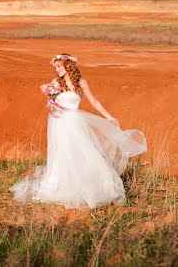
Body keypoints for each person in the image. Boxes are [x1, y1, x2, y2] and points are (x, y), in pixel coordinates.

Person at [9, 53, 147, 209]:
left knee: (83, 152)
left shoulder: (81, 82)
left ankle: (93, 187)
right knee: (61, 154)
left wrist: (109, 116)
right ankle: (60, 186)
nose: (57, 69)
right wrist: (52, 104)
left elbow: (94, 101)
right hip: (58, 124)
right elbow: (51, 102)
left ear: (68, 66)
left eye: (59, 66)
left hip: (75, 123)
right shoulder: (56, 83)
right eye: (55, 67)